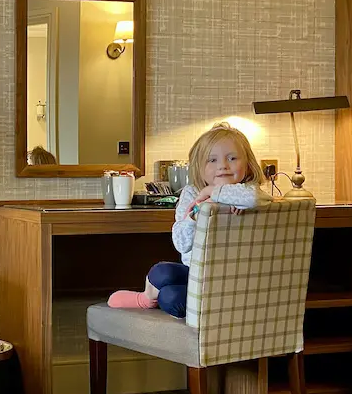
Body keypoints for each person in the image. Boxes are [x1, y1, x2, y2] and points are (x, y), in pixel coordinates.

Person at [108, 122, 269, 318]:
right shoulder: (191, 193)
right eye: (212, 160)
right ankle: (146, 298)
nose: (223, 166)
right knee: (161, 272)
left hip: (236, 280)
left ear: (248, 164)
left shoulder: (251, 190)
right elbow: (181, 244)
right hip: (196, 275)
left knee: (171, 298)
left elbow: (253, 199)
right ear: (199, 167)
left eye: (232, 158)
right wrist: (197, 213)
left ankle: (155, 297)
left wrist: (213, 193)